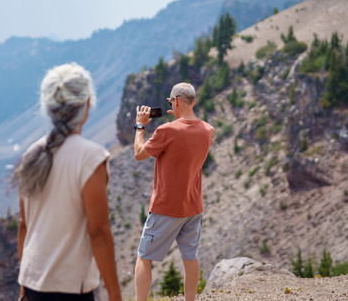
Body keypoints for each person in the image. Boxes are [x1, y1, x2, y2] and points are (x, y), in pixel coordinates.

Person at [13, 63, 121, 301]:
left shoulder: (32, 154)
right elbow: (98, 231)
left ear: (48, 107)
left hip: (33, 282)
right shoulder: (90, 157)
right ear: (87, 105)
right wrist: (115, 294)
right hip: (70, 288)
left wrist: (23, 285)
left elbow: (24, 225)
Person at [133, 82, 214, 301]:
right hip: (193, 206)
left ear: (175, 101)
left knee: (144, 257)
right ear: (194, 101)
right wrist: (180, 115)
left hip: (166, 207)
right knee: (190, 257)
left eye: (172, 102)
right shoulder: (208, 130)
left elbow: (139, 154)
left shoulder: (166, 130)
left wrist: (140, 126)